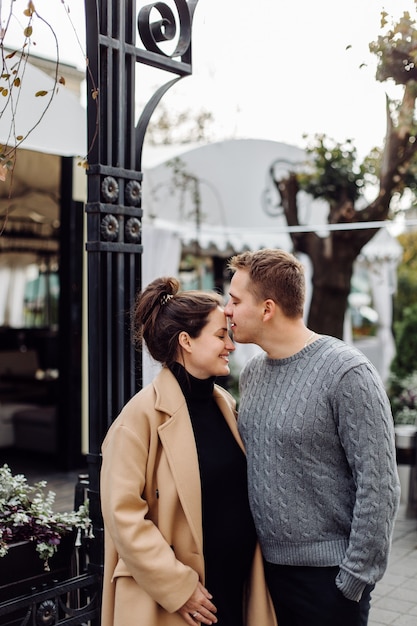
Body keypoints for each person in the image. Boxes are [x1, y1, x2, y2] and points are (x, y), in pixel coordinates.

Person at [224, 248, 401, 626]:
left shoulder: (348, 372)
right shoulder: (252, 374)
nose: (227, 310)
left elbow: (380, 484)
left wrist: (354, 580)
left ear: (267, 308)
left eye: (235, 301)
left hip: (329, 582)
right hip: (264, 573)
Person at [100, 276, 277, 626]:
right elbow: (124, 519)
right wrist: (180, 588)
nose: (231, 344)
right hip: (177, 603)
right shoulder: (137, 420)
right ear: (186, 342)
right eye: (219, 335)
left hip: (233, 591)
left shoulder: (224, 403)